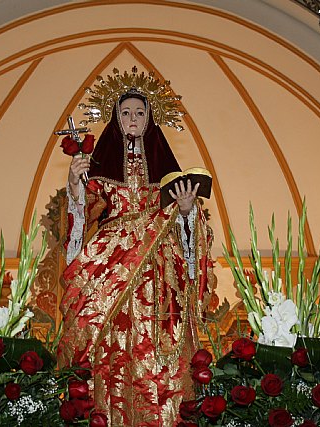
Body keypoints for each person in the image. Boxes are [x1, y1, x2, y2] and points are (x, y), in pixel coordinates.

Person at [57, 86, 215, 426]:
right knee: (106, 342)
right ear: (116, 118)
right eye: (126, 113)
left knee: (157, 350)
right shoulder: (101, 171)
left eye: (139, 113)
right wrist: (74, 182)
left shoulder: (166, 175)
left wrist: (186, 210)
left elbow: (188, 237)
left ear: (149, 120)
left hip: (158, 274)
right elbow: (79, 216)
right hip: (108, 266)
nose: (132, 119)